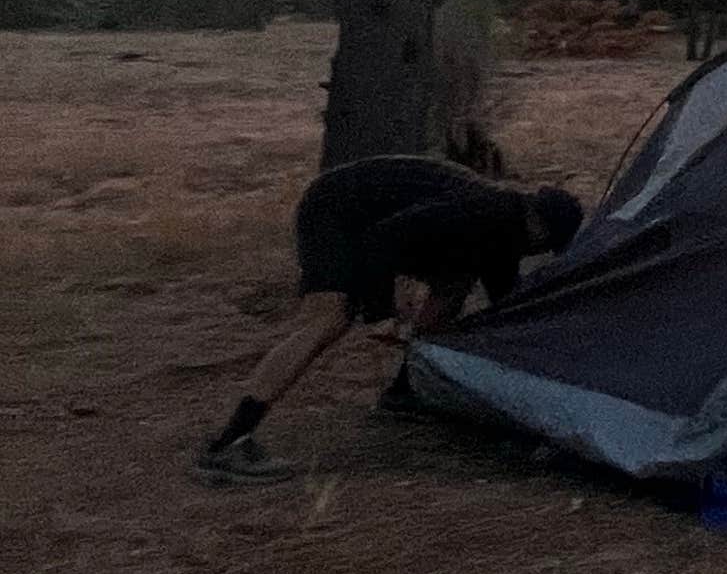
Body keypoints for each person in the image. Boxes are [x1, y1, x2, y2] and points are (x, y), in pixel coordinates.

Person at [199, 161, 585, 482]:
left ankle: (404, 390)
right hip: (336, 211)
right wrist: (383, 310)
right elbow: (382, 239)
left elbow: (507, 305)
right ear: (538, 228)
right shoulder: (484, 216)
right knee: (331, 319)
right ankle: (229, 442)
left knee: (453, 285)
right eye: (546, 246)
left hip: (371, 218)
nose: (542, 253)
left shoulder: (503, 235)